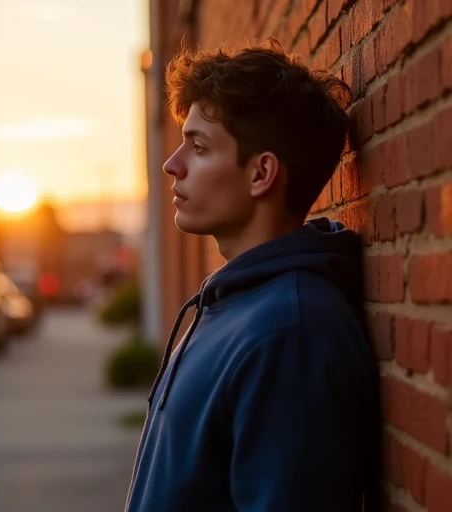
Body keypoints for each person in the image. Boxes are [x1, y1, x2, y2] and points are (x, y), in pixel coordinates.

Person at [125, 38, 380, 512]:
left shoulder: (291, 334)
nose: (171, 164)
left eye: (198, 146)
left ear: (261, 173)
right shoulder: (235, 304)